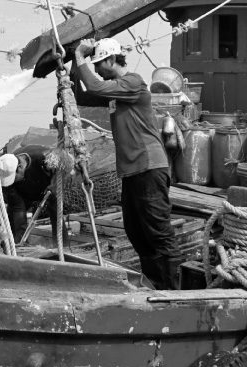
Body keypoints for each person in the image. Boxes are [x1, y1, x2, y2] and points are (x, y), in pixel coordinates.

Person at [71, 37, 179, 289]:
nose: (96, 69)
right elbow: (81, 95)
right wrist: (72, 67)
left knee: (158, 233)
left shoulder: (133, 83)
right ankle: (155, 285)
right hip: (132, 172)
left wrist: (80, 57)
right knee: (136, 232)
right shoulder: (115, 93)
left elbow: (95, 87)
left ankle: (173, 291)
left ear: (111, 59)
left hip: (149, 167)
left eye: (98, 63)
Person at [0, 143, 54, 238]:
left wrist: (53, 184)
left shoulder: (44, 158)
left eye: (13, 178)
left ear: (20, 167)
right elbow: (17, 207)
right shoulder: (7, 164)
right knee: (15, 212)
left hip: (45, 185)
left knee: (55, 209)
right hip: (22, 191)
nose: (12, 181)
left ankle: (60, 243)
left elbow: (62, 169)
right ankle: (15, 243)